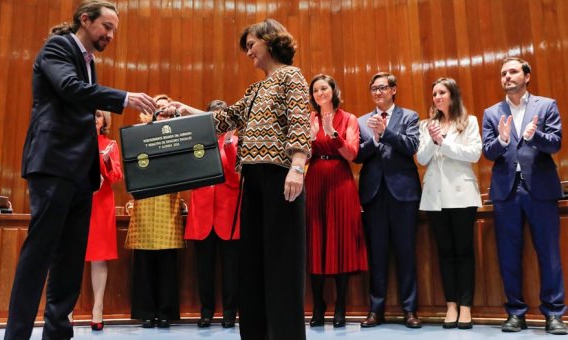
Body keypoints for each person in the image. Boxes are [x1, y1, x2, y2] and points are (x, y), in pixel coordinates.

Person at [4, 1, 156, 339]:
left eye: (114, 29)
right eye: (106, 26)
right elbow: (71, 90)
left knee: (70, 258)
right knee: (39, 254)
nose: (110, 35)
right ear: (84, 20)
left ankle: (58, 332)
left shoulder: (90, 63)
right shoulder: (57, 47)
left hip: (80, 173)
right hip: (53, 164)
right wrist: (125, 97)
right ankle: (16, 335)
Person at [167, 18, 311, 340]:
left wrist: (298, 165)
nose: (248, 52)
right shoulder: (255, 88)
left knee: (282, 264)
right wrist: (182, 111)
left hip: (281, 177)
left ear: (270, 40)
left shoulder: (292, 76)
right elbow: (223, 119)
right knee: (253, 264)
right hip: (253, 181)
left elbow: (300, 122)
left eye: (251, 45)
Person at [482, 57, 567, 335]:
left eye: (513, 71)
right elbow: (488, 151)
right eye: (503, 73)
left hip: (540, 189)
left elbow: (555, 143)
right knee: (508, 255)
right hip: (506, 191)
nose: (507, 76)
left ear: (527, 76)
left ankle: (554, 313)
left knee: (549, 254)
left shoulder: (546, 105)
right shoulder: (492, 113)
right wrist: (503, 140)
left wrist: (535, 135)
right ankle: (516, 313)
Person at [354, 72, 422, 329]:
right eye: (374, 89)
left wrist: (387, 132)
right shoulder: (361, 121)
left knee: (406, 253)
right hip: (373, 194)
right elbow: (358, 156)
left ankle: (410, 310)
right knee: (377, 255)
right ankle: (376, 309)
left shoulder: (410, 116)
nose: (378, 93)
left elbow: (412, 145)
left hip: (403, 194)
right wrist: (375, 139)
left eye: (382, 88)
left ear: (393, 89)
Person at [417, 78, 482, 330]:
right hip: (435, 196)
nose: (437, 97)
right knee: (445, 253)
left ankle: (465, 306)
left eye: (442, 92)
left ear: (453, 95)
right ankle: (451, 305)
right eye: (434, 94)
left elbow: (474, 154)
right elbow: (421, 159)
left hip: (462, 194)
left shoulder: (469, 121)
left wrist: (444, 142)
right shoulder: (428, 125)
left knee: (464, 252)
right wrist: (433, 141)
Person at [305, 74, 368, 328]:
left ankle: (341, 305)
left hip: (341, 183)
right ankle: (319, 305)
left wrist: (333, 134)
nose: (320, 93)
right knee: (316, 242)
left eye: (324, 88)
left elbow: (352, 154)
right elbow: (304, 157)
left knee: (341, 242)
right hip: (316, 180)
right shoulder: (309, 118)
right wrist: (309, 139)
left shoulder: (349, 118)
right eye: (316, 90)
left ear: (333, 91)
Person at [124, 110, 185, 329]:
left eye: (167, 114)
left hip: (168, 206)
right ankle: (146, 313)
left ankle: (165, 313)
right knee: (144, 261)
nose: (162, 117)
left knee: (167, 262)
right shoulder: (141, 138)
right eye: (159, 112)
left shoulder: (179, 139)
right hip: (145, 205)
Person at [184, 99, 240, 329]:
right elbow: (189, 174)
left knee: (231, 270)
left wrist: (228, 145)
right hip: (202, 215)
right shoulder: (197, 143)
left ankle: (230, 313)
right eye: (213, 115)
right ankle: (206, 312)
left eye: (221, 115)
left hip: (229, 215)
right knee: (204, 270)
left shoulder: (236, 140)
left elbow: (237, 178)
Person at [85, 110, 123, 331]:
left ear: (104, 121)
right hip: (77, 203)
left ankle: (97, 308)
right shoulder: (73, 140)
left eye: (98, 115)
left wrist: (106, 162)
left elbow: (116, 176)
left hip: (100, 205)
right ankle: (65, 310)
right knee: (71, 255)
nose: (94, 118)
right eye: (90, 114)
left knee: (99, 257)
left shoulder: (110, 144)